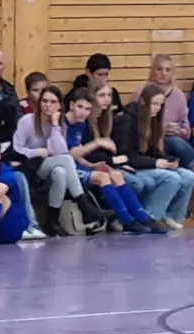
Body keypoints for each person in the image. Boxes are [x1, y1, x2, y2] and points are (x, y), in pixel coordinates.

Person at [67, 89, 161, 234]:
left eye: (87, 109)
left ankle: (143, 217)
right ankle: (127, 220)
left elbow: (78, 154)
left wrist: (92, 165)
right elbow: (68, 154)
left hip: (79, 165)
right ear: (71, 104)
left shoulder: (80, 124)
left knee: (116, 175)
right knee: (103, 177)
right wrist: (97, 143)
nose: (83, 113)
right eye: (80, 107)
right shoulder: (62, 124)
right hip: (65, 168)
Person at [119, 83, 194, 231]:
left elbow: (155, 153)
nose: (158, 108)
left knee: (189, 176)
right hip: (133, 166)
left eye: (161, 105)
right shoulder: (128, 120)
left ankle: (171, 216)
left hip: (148, 164)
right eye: (154, 104)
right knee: (171, 178)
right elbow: (128, 156)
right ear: (143, 101)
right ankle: (149, 217)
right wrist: (157, 163)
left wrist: (169, 160)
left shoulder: (154, 120)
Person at [13, 85, 84, 235]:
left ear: (59, 106)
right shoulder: (27, 121)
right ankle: (83, 203)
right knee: (66, 160)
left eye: (52, 102)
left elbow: (60, 151)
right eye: (44, 101)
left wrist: (55, 126)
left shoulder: (60, 124)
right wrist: (36, 152)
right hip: (30, 167)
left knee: (60, 172)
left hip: (48, 167)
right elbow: (16, 148)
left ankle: (52, 221)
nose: (47, 105)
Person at [147, 54, 194, 172]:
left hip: (176, 139)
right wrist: (162, 129)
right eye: (159, 69)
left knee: (176, 141)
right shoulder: (142, 92)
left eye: (167, 70)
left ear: (172, 73)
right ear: (152, 71)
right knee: (174, 141)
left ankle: (193, 170)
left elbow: (186, 126)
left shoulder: (179, 95)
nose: (163, 73)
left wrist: (181, 131)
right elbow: (136, 123)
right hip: (150, 140)